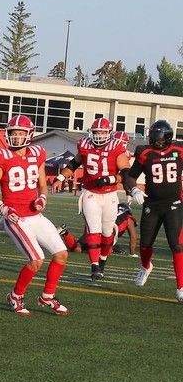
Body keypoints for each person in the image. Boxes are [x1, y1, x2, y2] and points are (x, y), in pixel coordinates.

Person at [0, 115, 70, 315]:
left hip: (35, 215)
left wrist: (42, 199)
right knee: (37, 259)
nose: (15, 137)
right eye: (13, 133)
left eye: (20, 133)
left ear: (29, 135)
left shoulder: (38, 153)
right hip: (16, 218)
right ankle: (15, 296)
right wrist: (3, 208)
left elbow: (42, 186)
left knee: (61, 254)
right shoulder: (1, 157)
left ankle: (47, 296)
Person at [51, 118, 130, 280]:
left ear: (109, 133)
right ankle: (94, 266)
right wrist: (60, 177)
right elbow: (74, 164)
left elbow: (125, 173)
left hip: (109, 194)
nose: (99, 136)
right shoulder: (85, 145)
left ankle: (102, 261)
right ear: (91, 133)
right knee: (93, 230)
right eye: (96, 133)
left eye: (102, 132)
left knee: (107, 233)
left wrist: (109, 180)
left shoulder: (117, 147)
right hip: (90, 193)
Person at [121, 120, 183, 301]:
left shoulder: (178, 151)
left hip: (174, 204)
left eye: (159, 137)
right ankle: (146, 266)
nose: (156, 140)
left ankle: (180, 287)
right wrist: (133, 189)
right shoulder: (144, 152)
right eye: (154, 136)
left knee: (177, 244)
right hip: (152, 205)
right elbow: (130, 176)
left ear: (168, 137)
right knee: (145, 244)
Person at [58, 202, 138, 257]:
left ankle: (66, 234)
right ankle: (102, 248)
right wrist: (132, 254)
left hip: (95, 224)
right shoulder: (128, 217)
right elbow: (133, 236)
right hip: (109, 230)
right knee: (104, 252)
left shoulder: (109, 210)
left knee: (77, 248)